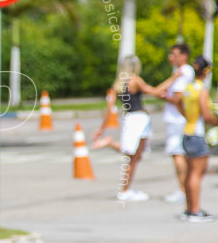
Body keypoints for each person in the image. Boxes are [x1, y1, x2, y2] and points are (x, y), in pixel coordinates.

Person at [91, 55, 172, 201]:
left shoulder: (117, 85)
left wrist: (101, 128)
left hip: (129, 118)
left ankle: (127, 188)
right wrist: (174, 78)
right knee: (132, 158)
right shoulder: (135, 80)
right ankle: (124, 190)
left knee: (135, 156)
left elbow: (109, 109)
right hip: (139, 119)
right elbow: (155, 91)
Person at [178, 56, 217, 222]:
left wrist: (188, 117)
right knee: (197, 174)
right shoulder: (202, 89)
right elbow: (207, 115)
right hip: (197, 134)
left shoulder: (188, 87)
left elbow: (177, 102)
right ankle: (195, 210)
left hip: (187, 131)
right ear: (206, 71)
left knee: (189, 174)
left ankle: (189, 209)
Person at [162, 43, 195, 204]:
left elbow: (177, 98)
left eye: (174, 54)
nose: (171, 57)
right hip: (179, 119)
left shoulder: (184, 71)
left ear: (184, 56)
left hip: (178, 120)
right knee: (180, 154)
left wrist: (161, 96)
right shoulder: (179, 71)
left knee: (177, 153)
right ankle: (184, 188)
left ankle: (183, 189)